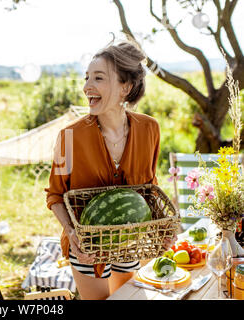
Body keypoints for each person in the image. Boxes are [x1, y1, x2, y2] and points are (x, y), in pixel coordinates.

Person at [44, 41, 177, 300]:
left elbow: (149, 188)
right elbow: (55, 196)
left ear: (125, 87)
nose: (87, 87)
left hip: (128, 243)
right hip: (86, 248)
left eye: (99, 78)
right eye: (86, 78)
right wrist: (72, 234)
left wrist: (162, 228)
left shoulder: (150, 129)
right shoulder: (68, 137)